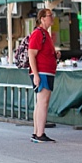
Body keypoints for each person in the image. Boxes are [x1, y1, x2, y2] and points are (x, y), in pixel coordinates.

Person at [28, 8, 59, 143]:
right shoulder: (38, 33)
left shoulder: (46, 34)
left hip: (46, 71)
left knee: (40, 103)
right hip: (42, 72)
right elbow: (31, 54)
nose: (52, 18)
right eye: (49, 15)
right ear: (42, 19)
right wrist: (36, 74)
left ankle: (37, 132)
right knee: (43, 102)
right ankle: (40, 133)